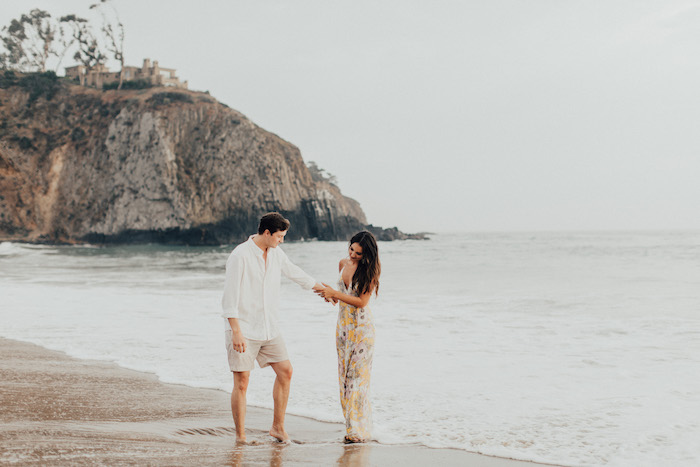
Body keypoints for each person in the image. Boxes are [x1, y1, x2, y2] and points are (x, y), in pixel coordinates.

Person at [221, 212, 324, 444]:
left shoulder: (276, 253)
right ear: (267, 233)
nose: (282, 240)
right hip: (243, 328)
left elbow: (294, 272)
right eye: (280, 236)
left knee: (286, 371)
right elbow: (229, 298)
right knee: (242, 382)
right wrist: (235, 331)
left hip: (269, 327)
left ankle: (277, 427)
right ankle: (240, 436)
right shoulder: (240, 255)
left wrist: (322, 289)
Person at [316, 231, 381, 443]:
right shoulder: (342, 263)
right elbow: (342, 297)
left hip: (362, 330)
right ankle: (351, 425)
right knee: (344, 379)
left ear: (367, 254)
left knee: (358, 381)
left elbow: (362, 302)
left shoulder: (370, 271)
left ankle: (358, 431)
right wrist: (330, 295)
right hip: (343, 328)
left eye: (358, 253)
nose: (353, 255)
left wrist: (336, 294)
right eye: (351, 249)